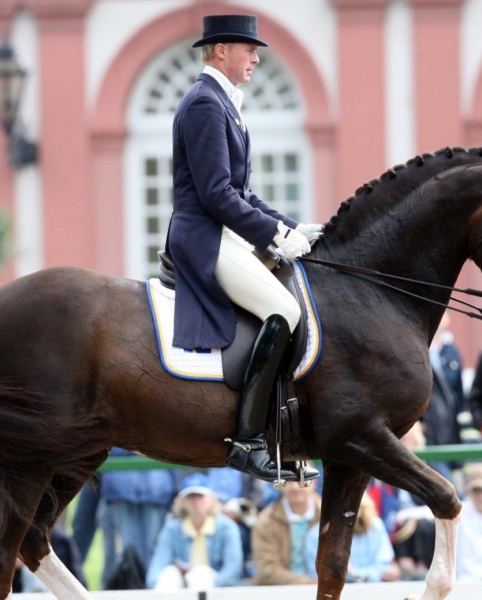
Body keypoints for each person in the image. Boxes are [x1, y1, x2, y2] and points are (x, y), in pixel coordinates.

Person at [168, 14, 323, 482]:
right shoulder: (204, 104)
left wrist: (296, 227)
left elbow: (245, 193)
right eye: (248, 49)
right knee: (284, 311)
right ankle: (248, 442)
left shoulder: (223, 104)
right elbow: (217, 194)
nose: (256, 58)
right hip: (204, 237)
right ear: (220, 51)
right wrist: (275, 238)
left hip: (225, 232)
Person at [146, 473, 244, 590]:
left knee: (199, 574)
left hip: (215, 587)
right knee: (169, 574)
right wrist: (158, 584)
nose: (196, 502)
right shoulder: (172, 529)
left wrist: (215, 585)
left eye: (200, 496)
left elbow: (232, 569)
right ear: (182, 502)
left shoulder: (227, 527)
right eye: (190, 497)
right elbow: (157, 567)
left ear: (211, 499)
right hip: (181, 586)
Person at [99, 448, 177, 588]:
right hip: (120, 488)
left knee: (154, 547)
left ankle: (152, 591)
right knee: (127, 551)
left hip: (156, 488)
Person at [306, 493, 398, 583]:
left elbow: (387, 568)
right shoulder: (317, 535)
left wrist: (355, 574)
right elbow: (317, 575)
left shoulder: (375, 526)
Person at [252, 478, 321, 584]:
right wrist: (309, 583)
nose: (295, 487)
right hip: (281, 591)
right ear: (280, 484)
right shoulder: (265, 521)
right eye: (289, 481)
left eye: (301, 481)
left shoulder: (332, 515)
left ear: (314, 482)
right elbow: (267, 570)